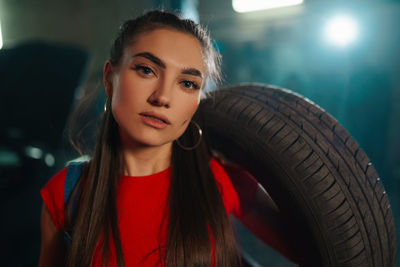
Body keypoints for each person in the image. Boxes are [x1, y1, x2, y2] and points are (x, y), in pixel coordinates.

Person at [39, 10, 299, 267]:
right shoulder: (67, 191)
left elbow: (329, 249)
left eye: (187, 84)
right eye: (146, 70)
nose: (162, 97)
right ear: (110, 79)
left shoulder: (222, 179)